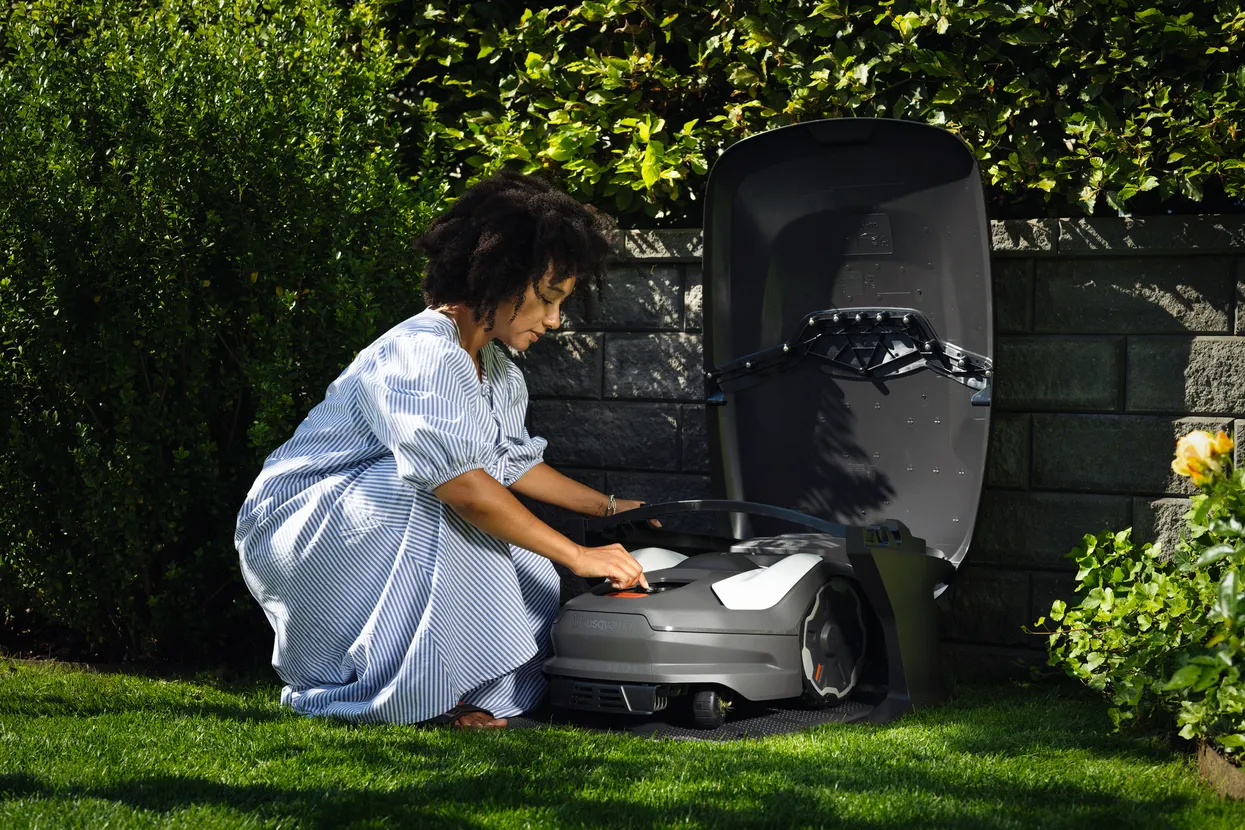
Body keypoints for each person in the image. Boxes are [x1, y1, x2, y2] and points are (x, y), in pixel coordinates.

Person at [235, 172, 651, 729]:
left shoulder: (497, 370)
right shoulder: (420, 353)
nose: (554, 321)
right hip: (302, 520)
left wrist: (613, 508)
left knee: (529, 564)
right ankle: (406, 698)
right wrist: (578, 555)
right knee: (448, 503)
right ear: (503, 278)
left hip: (377, 511)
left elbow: (510, 463)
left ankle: (459, 692)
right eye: (549, 300)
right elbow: (461, 485)